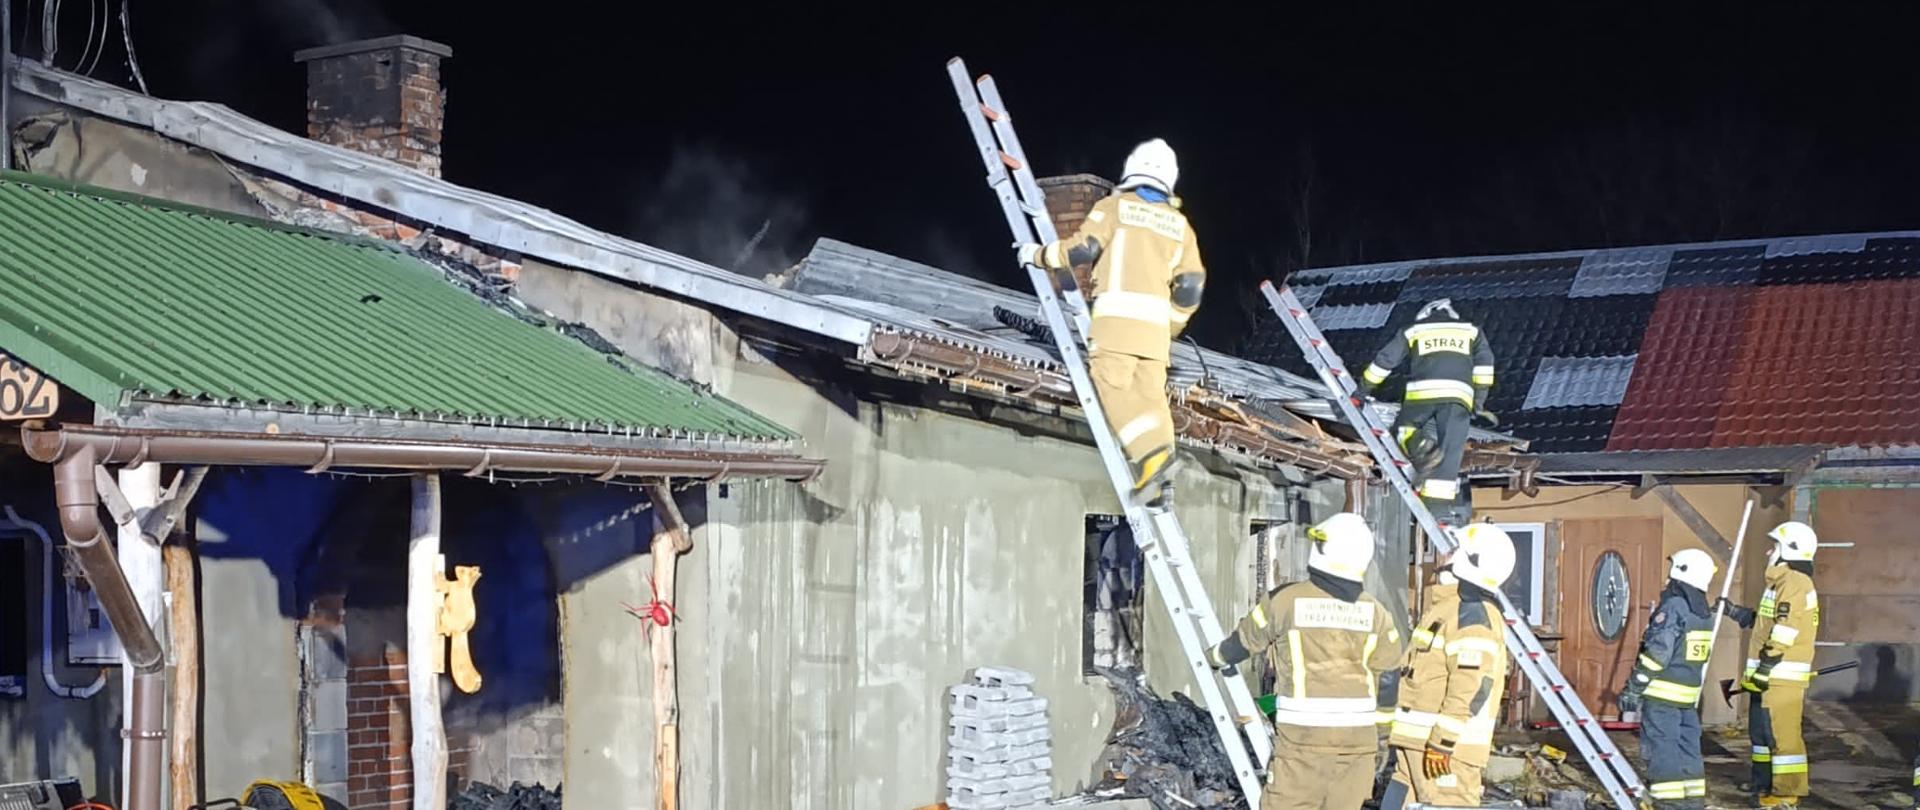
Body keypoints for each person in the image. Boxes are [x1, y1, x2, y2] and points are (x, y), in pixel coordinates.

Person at [1018, 138, 1204, 508]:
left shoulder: (1115, 207)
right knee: (1152, 399)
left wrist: (1037, 255)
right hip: (1156, 335)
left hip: (1117, 324)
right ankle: (1160, 481)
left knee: (1111, 387)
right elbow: (1191, 286)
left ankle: (1150, 460)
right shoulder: (1180, 226)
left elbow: (1081, 249)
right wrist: (1171, 324)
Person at [1205, 512, 1402, 810]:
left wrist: (1211, 658)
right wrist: (1382, 739)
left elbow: (1240, 645)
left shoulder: (1285, 600)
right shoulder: (1378, 613)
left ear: (1322, 549)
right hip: (1358, 747)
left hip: (1303, 744)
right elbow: (1388, 680)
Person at [1380, 523, 1515, 809]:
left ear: (1469, 560)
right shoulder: (1448, 609)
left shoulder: (1472, 616)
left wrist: (1443, 742)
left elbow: (1470, 688)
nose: (1445, 555)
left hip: (1446, 754)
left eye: (1454, 550)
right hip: (1416, 746)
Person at [1356, 299, 1495, 525]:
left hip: (1423, 394)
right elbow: (1485, 365)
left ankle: (1421, 447)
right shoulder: (1471, 330)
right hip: (1459, 398)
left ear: (1424, 315)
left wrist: (1362, 390)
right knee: (1450, 452)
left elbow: (1386, 360)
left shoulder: (1414, 330)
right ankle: (1437, 509)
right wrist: (1479, 400)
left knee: (1403, 430)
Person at [1720, 521, 1821, 809]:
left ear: (1790, 549)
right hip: (1766, 675)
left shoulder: (1795, 583)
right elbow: (1768, 624)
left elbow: (1785, 629)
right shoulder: (1781, 583)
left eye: (1774, 546)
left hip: (1778, 676)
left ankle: (1786, 793)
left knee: (1782, 737)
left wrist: (1767, 666)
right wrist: (1736, 613)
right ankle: (1763, 784)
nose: (1769, 552)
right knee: (1762, 736)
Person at [1619, 548, 1718, 809]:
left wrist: (1634, 688)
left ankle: (1669, 804)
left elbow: (1658, 654)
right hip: (1688, 697)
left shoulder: (1675, 606)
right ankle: (1692, 801)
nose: (1666, 579)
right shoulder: (1703, 613)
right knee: (1688, 748)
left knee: (1662, 749)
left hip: (1662, 696)